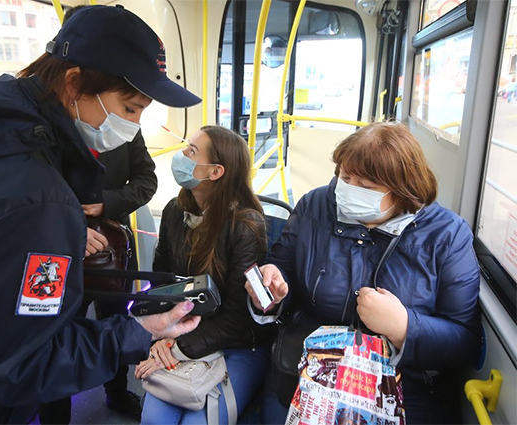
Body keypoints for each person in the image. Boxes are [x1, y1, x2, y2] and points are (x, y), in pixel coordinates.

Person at [0, 5, 202, 424]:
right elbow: (21, 362)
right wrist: (140, 332)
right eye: (130, 108)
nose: (133, 125)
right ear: (74, 83)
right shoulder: (38, 202)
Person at [246, 122, 481, 425]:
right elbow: (283, 270)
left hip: (404, 386)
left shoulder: (447, 235)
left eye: (366, 187)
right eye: (345, 177)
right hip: (307, 370)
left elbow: (465, 341)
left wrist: (405, 327)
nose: (350, 190)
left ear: (403, 190)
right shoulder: (316, 206)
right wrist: (272, 290)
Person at [36, 6, 159, 422]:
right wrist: (72, 222)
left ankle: (117, 391)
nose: (134, 118)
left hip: (110, 248)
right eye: (131, 108)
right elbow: (33, 201)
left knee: (115, 322)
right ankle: (55, 412)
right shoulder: (40, 134)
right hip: (59, 253)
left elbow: (146, 181)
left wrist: (106, 203)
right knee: (54, 332)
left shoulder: (121, 124)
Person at [134, 125, 275, 425]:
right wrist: (160, 335)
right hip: (183, 334)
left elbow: (239, 316)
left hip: (238, 345)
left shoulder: (246, 226)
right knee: (154, 421)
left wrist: (176, 347)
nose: (181, 155)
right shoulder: (175, 211)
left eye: (191, 152)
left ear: (215, 172)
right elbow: (162, 283)